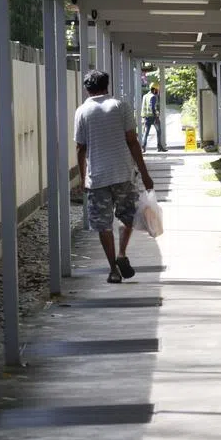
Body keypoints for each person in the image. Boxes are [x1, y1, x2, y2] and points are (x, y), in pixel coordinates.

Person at [74, 69, 155, 284]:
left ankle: (113, 269)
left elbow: (80, 148)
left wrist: (82, 178)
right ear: (107, 85)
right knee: (128, 217)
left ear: (87, 88)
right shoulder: (121, 107)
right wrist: (144, 174)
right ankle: (121, 253)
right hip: (123, 174)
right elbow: (132, 142)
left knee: (103, 225)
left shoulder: (82, 111)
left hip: (97, 178)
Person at [140, 84, 164, 152]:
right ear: (154, 89)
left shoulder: (145, 96)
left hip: (146, 117)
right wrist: (156, 117)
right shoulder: (153, 96)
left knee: (145, 133)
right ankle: (159, 147)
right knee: (159, 131)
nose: (157, 91)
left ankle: (143, 148)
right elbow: (152, 107)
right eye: (157, 90)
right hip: (153, 117)